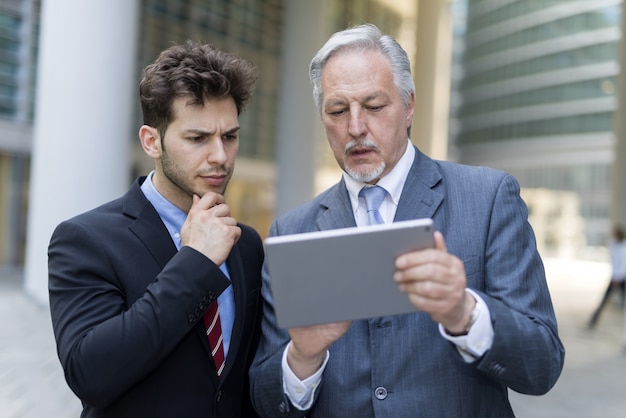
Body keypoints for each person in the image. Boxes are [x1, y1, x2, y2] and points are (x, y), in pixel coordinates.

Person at [249, 24, 564, 417]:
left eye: (375, 106)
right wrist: (302, 358)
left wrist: (465, 314)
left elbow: (543, 365)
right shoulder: (291, 232)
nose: (356, 127)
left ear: (410, 104)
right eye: (337, 110)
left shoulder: (488, 199)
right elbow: (265, 402)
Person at [48, 41, 263, 418]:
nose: (220, 156)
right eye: (197, 139)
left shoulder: (246, 245)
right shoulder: (85, 240)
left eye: (229, 136)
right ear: (152, 141)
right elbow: (90, 374)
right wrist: (195, 261)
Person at [589, 224, 626, 328]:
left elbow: (623, 263)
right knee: (604, 300)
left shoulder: (624, 247)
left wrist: (618, 278)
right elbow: (614, 262)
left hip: (621, 277)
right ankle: (593, 321)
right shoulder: (613, 245)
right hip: (615, 276)